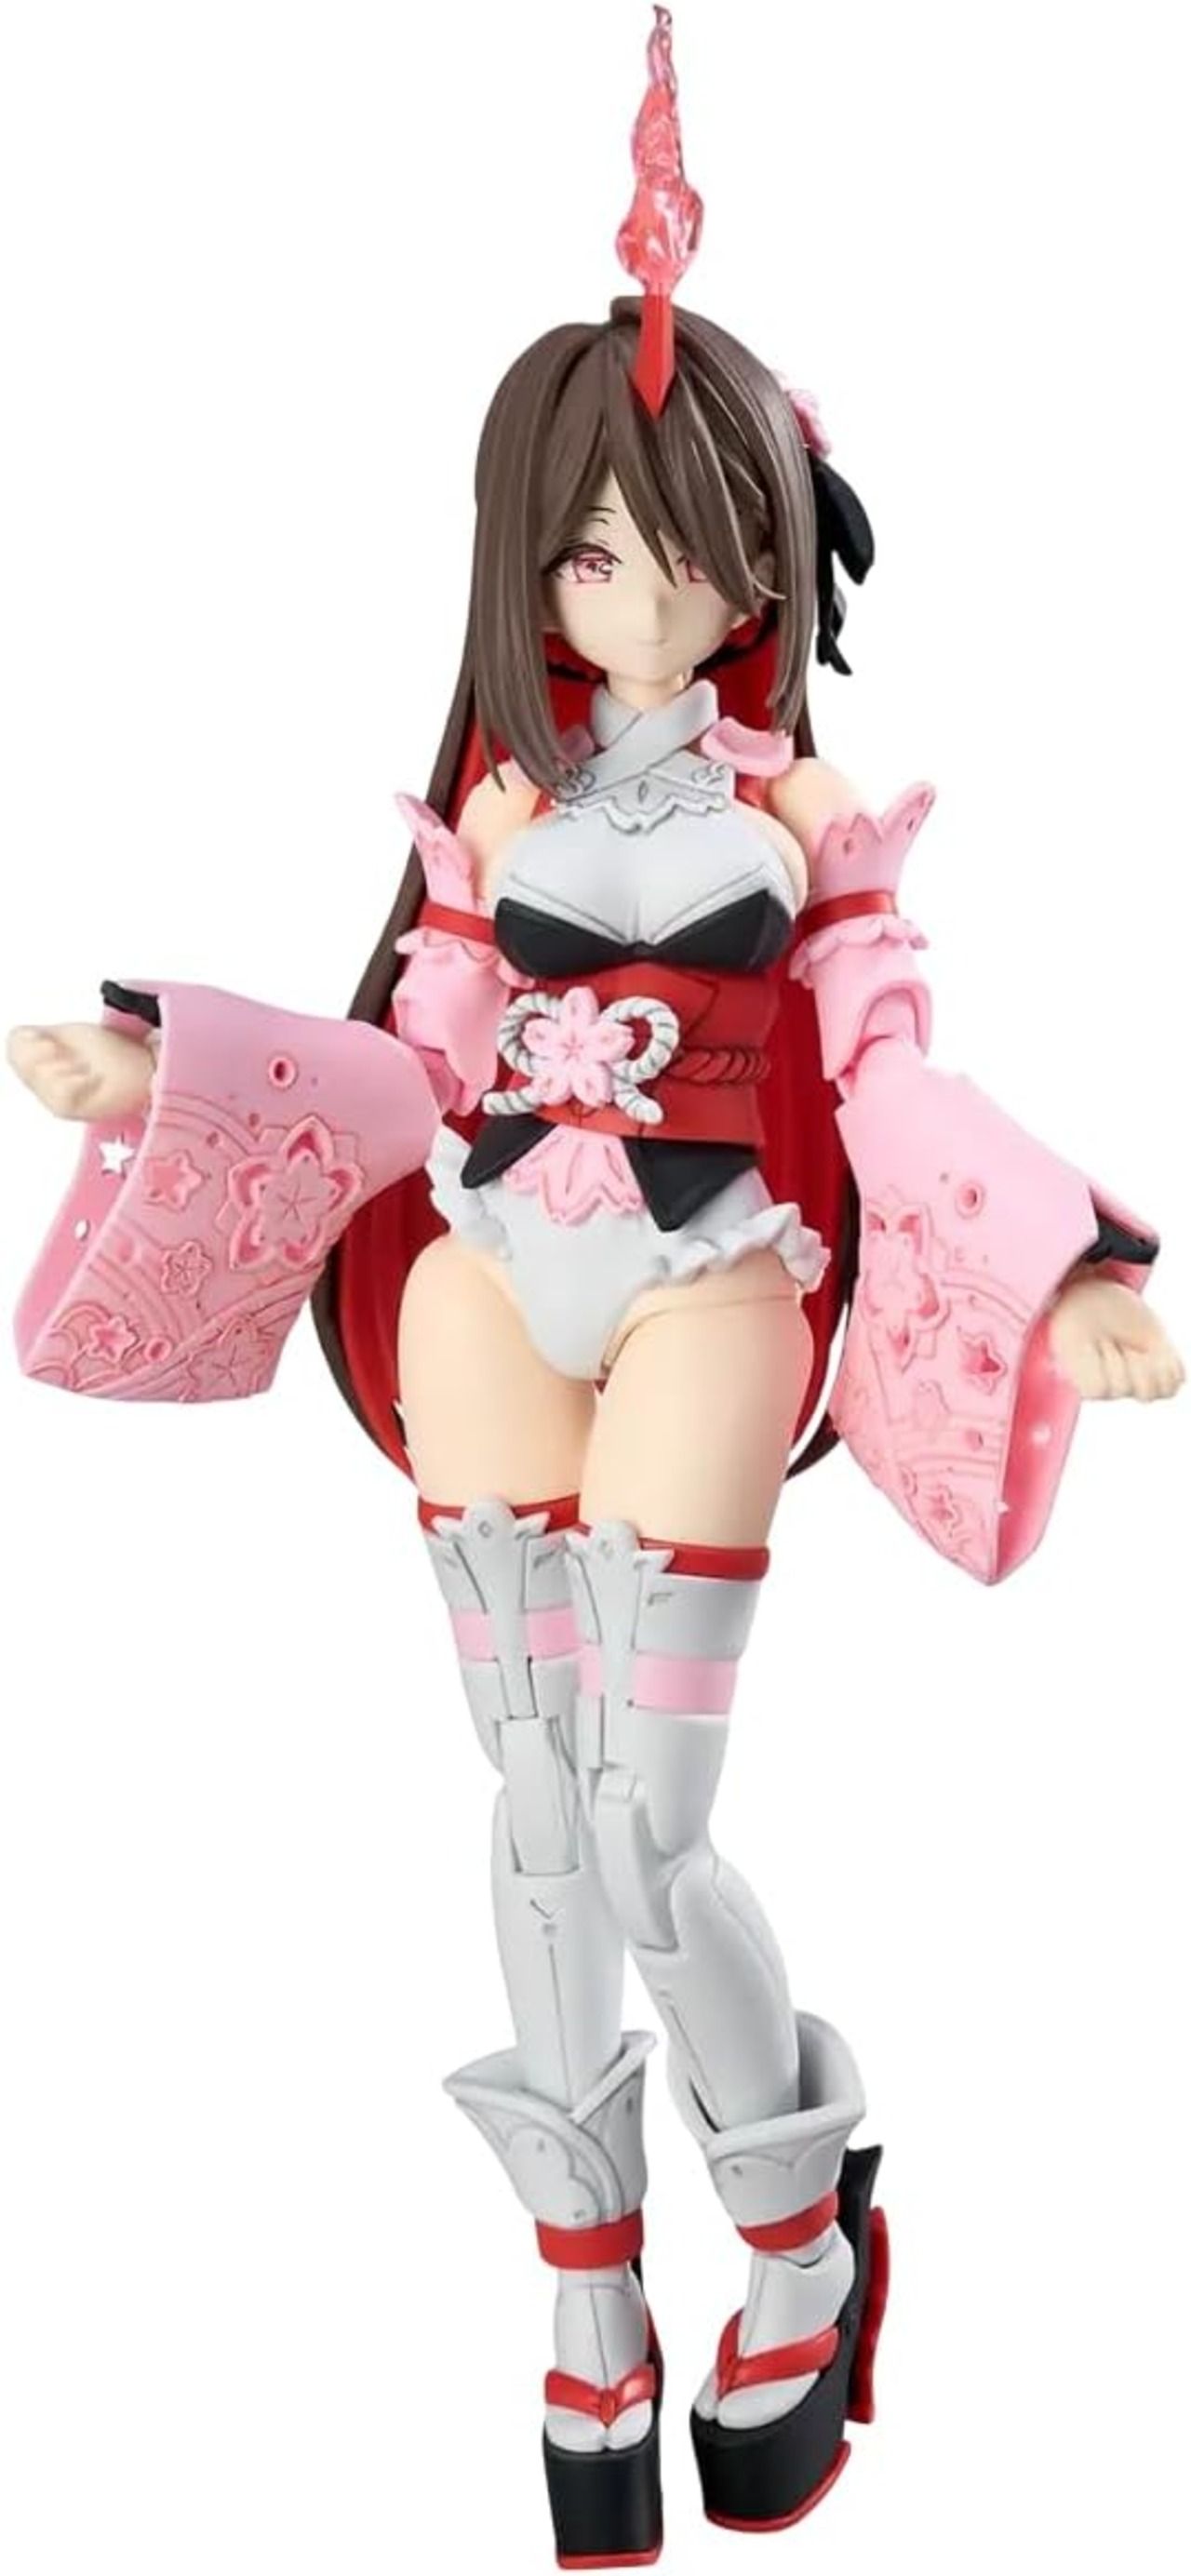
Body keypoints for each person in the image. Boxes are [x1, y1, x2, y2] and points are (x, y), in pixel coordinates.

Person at [7, 10, 1183, 2566]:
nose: (611, 583)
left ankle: (795, 2223)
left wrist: (1062, 1256)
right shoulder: (498, 803)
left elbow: (889, 1082)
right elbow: (403, 1063)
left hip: (712, 1280)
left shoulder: (810, 817)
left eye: (655, 536)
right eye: (574, 545)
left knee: (651, 1836)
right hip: (487, 1278)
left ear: (757, 552)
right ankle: (579, 2285)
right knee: (536, 1816)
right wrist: (175, 1062)